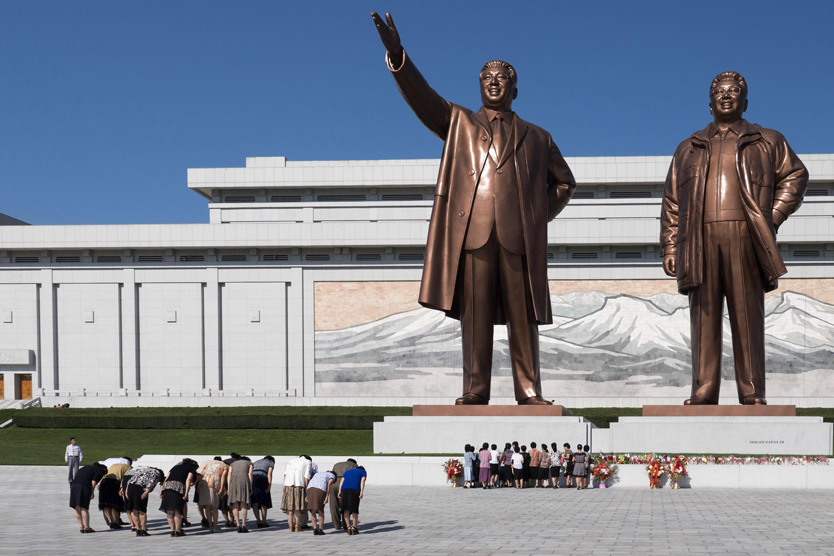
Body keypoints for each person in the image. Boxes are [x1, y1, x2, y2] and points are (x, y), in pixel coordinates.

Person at [372, 12, 576, 406]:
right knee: (475, 317)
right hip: (475, 234)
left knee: (523, 318)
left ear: (515, 88)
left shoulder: (538, 137)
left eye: (502, 78)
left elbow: (565, 183)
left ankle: (529, 391)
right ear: (479, 86)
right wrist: (398, 55)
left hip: (518, 238)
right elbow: (422, 97)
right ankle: (475, 389)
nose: (494, 82)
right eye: (487, 77)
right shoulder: (459, 122)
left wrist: (536, 215)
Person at [661, 71, 808, 406]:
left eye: (733, 92)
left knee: (747, 314)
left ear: (745, 101)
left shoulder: (767, 140)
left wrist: (772, 217)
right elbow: (671, 201)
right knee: (704, 315)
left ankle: (752, 390)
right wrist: (671, 246)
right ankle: (703, 389)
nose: (726, 96)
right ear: (710, 103)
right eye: (719, 92)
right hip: (699, 239)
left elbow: (796, 175)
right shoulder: (689, 148)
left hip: (745, 235)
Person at [158, 458, 198, 537]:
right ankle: (178, 531)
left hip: (167, 487)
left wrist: (162, 491)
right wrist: (186, 493)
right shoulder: (191, 468)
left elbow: (166, 478)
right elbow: (188, 480)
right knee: (177, 511)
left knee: (169, 511)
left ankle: (172, 531)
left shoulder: (175, 467)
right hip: (178, 488)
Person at [124, 466, 164, 537]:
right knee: (141, 510)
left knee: (134, 509)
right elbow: (151, 483)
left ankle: (138, 529)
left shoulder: (143, 469)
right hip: (140, 488)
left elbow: (130, 480)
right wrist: (146, 492)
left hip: (131, 486)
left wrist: (127, 490)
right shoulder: (157, 473)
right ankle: (143, 530)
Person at [69, 462, 106, 533]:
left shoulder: (85, 467)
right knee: (84, 507)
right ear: (104, 469)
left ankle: (81, 527)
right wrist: (91, 491)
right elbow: (94, 481)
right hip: (84, 486)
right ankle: (87, 527)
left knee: (77, 507)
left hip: (74, 485)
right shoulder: (100, 470)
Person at [196, 457, 229, 533]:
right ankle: (215, 526)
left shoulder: (208, 464)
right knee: (214, 506)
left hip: (203, 484)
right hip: (214, 484)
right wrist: (221, 487)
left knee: (208, 506)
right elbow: (223, 477)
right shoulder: (224, 465)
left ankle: (210, 525)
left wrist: (197, 486)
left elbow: (201, 474)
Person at [282, 455, 312, 532]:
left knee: (289, 507)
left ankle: (290, 526)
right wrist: (306, 489)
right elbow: (306, 477)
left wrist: (284, 485)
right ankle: (297, 526)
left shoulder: (291, 460)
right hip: (299, 485)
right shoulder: (308, 462)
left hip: (288, 485)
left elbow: (285, 474)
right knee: (297, 507)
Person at [97, 459, 131, 529]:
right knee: (114, 504)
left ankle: (110, 522)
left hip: (104, 482)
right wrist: (121, 488)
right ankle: (115, 522)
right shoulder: (128, 468)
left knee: (106, 504)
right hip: (114, 482)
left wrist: (99, 483)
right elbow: (124, 479)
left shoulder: (113, 465)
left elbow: (105, 474)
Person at [329, 458, 357, 530]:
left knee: (333, 505)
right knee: (345, 505)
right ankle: (346, 525)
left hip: (333, 484)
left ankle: (337, 525)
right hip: (344, 483)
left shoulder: (337, 464)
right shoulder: (354, 465)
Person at [227, 455, 253, 533]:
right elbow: (250, 475)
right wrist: (250, 487)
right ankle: (244, 525)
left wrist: (228, 487)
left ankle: (238, 525)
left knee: (235, 504)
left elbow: (229, 475)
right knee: (243, 503)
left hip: (233, 483)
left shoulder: (233, 463)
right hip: (244, 482)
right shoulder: (249, 463)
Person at [306, 468, 336, 535]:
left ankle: (314, 528)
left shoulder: (318, 473)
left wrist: (307, 496)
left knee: (312, 510)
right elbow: (329, 485)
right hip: (320, 490)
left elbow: (312, 481)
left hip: (310, 489)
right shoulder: (332, 475)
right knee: (320, 510)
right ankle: (320, 529)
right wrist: (326, 497)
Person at [338, 466, 367, 535]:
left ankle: (348, 527)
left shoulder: (347, 471)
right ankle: (354, 527)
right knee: (354, 509)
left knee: (345, 509)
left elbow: (342, 481)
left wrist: (339, 491)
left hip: (344, 490)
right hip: (354, 490)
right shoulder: (363, 472)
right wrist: (361, 492)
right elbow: (362, 481)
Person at [251, 455, 274, 528]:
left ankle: (258, 521)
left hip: (253, 480)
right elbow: (269, 474)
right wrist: (269, 486)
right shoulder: (270, 463)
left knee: (255, 502)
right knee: (263, 502)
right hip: (262, 479)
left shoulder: (255, 462)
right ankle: (264, 521)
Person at [219, 452, 241, 528]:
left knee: (223, 504)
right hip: (232, 485)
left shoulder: (224, 462)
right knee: (232, 504)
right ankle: (232, 521)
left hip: (222, 484)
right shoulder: (237, 463)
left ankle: (226, 521)